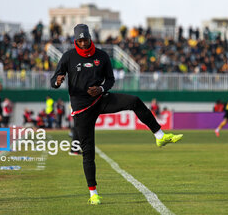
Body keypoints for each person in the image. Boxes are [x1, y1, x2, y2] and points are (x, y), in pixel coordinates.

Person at [50, 24, 183, 205]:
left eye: (85, 39)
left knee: (134, 101)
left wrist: (101, 88)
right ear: (75, 41)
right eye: (79, 40)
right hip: (82, 109)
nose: (83, 43)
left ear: (90, 38)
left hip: (101, 99)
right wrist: (57, 81)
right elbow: (54, 81)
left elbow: (110, 79)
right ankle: (93, 193)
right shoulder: (68, 57)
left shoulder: (102, 56)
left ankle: (160, 135)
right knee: (88, 153)